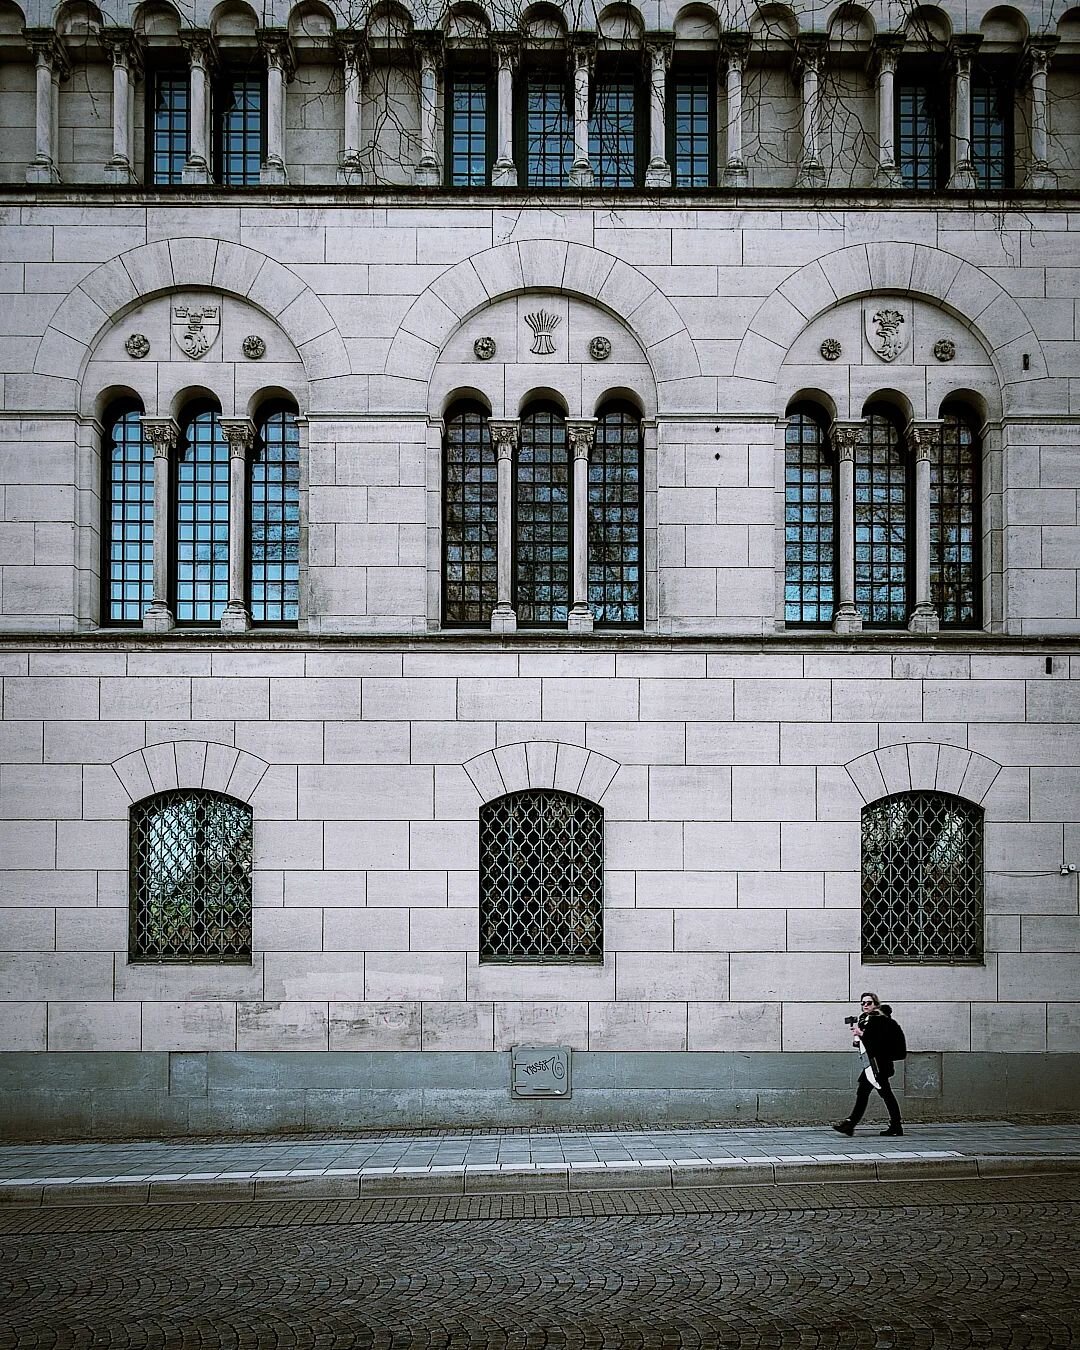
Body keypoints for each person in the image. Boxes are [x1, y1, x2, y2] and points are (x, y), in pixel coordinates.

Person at [832, 991, 904, 1137]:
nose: (865, 1005)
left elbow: (880, 1043)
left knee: (877, 1094)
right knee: (876, 1093)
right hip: (871, 1064)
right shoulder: (865, 1020)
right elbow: (868, 1044)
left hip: (880, 1065)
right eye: (863, 1003)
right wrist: (857, 1039)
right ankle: (894, 1125)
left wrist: (862, 1034)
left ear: (876, 1004)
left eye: (869, 1003)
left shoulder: (882, 1021)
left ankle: (851, 1124)